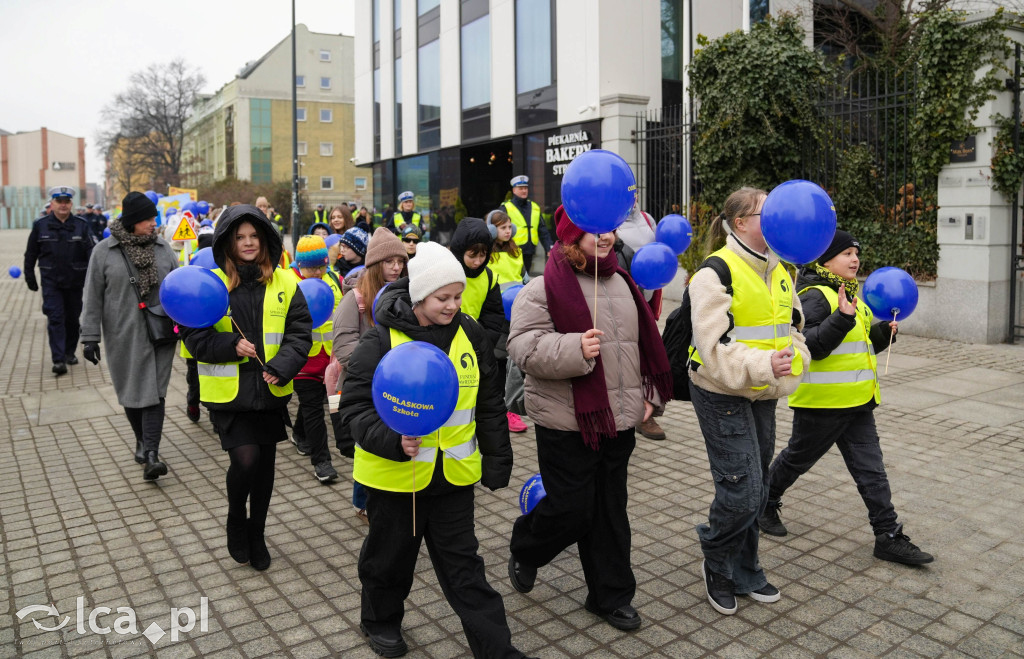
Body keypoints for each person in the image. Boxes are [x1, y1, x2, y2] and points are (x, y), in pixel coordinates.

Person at [338, 241, 525, 659]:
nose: (453, 305)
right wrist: (393, 440)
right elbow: (353, 409)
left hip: (454, 476)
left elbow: (489, 404)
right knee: (389, 560)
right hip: (395, 479)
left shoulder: (471, 334)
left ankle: (497, 650)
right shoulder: (380, 340)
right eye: (443, 297)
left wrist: (498, 459)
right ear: (420, 295)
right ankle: (379, 622)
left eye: (457, 296)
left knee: (465, 570)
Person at [506, 206, 672, 632]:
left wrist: (650, 393)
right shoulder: (542, 287)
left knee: (611, 512)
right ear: (570, 235)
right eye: (594, 230)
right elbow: (523, 347)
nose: (605, 237)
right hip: (565, 421)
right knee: (572, 510)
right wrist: (573, 348)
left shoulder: (624, 283)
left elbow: (641, 347)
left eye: (609, 229)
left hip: (618, 420)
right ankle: (527, 547)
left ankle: (610, 597)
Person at [759, 230, 934, 566]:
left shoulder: (852, 294)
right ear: (827, 260)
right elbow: (811, 347)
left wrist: (882, 334)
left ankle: (888, 535)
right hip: (822, 404)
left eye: (856, 253)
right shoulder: (814, 295)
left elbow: (860, 346)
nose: (855, 260)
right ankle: (764, 501)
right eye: (847, 254)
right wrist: (842, 317)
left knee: (872, 472)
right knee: (796, 459)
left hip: (857, 402)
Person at [685, 186, 810, 616]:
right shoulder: (713, 273)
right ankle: (716, 562)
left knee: (757, 487)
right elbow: (713, 348)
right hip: (720, 391)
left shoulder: (781, 269)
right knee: (742, 490)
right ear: (740, 223)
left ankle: (745, 567)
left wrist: (794, 360)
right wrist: (763, 365)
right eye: (765, 213)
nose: (777, 219)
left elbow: (795, 328)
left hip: (763, 393)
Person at [180, 205, 312, 571]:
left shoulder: (286, 282)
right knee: (246, 460)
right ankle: (237, 516)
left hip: (270, 392)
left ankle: (258, 532)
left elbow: (300, 333)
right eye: (240, 237)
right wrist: (231, 346)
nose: (248, 242)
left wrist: (283, 366)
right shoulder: (212, 284)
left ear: (265, 240)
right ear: (228, 242)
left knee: (265, 469)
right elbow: (194, 339)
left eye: (254, 236)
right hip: (230, 397)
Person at [81, 191, 178, 480]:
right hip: (122, 334)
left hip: (160, 333)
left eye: (154, 218)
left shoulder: (163, 248)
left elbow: (178, 287)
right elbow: (92, 296)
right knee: (131, 391)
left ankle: (152, 454)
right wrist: (90, 337)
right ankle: (141, 439)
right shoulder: (104, 251)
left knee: (155, 392)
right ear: (132, 220)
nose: (153, 223)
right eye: (147, 219)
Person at [331, 228, 409, 524]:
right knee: (367, 442)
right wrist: (382, 367)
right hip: (365, 386)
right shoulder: (356, 298)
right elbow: (343, 346)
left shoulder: (407, 294)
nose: (396, 267)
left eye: (400, 261)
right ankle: (362, 501)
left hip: (399, 385)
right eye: (389, 261)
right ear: (375, 264)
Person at [449, 218, 518, 432]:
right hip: (445, 345)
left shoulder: (489, 278)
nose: (478, 261)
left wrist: (482, 345)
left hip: (475, 350)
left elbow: (493, 317)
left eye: (483, 255)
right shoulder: (447, 273)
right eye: (472, 256)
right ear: (460, 251)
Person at [288, 235, 342, 484]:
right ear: (300, 265)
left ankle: (299, 433)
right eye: (311, 268)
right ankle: (322, 462)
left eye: (321, 266)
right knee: (313, 410)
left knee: (314, 404)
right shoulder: (288, 283)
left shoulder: (335, 280)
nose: (318, 272)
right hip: (303, 360)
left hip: (329, 358)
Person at [24, 186, 94, 375]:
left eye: (66, 201)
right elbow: (31, 253)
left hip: (75, 282)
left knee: (72, 319)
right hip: (51, 283)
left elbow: (92, 253)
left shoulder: (81, 225)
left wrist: (95, 278)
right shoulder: (41, 225)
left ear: (71, 204)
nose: (63, 205)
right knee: (55, 318)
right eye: (59, 201)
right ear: (52, 204)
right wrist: (29, 276)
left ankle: (69, 352)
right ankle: (58, 359)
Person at [615, 197, 667, 441]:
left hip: (645, 298)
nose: (632, 198)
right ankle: (626, 409)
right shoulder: (607, 221)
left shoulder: (647, 219)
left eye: (634, 192)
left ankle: (645, 412)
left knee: (644, 355)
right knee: (625, 357)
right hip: (619, 298)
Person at [502, 176, 552, 274]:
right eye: (521, 188)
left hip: (530, 251)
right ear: (514, 190)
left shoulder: (535, 207)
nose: (524, 191)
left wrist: (548, 248)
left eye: (525, 188)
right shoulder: (506, 207)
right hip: (512, 250)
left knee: (526, 277)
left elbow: (543, 230)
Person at [486, 210, 526, 291]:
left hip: (517, 295)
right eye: (503, 228)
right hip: (496, 297)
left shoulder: (517, 251)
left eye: (510, 227)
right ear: (492, 230)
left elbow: (524, 277)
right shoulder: (486, 253)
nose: (508, 231)